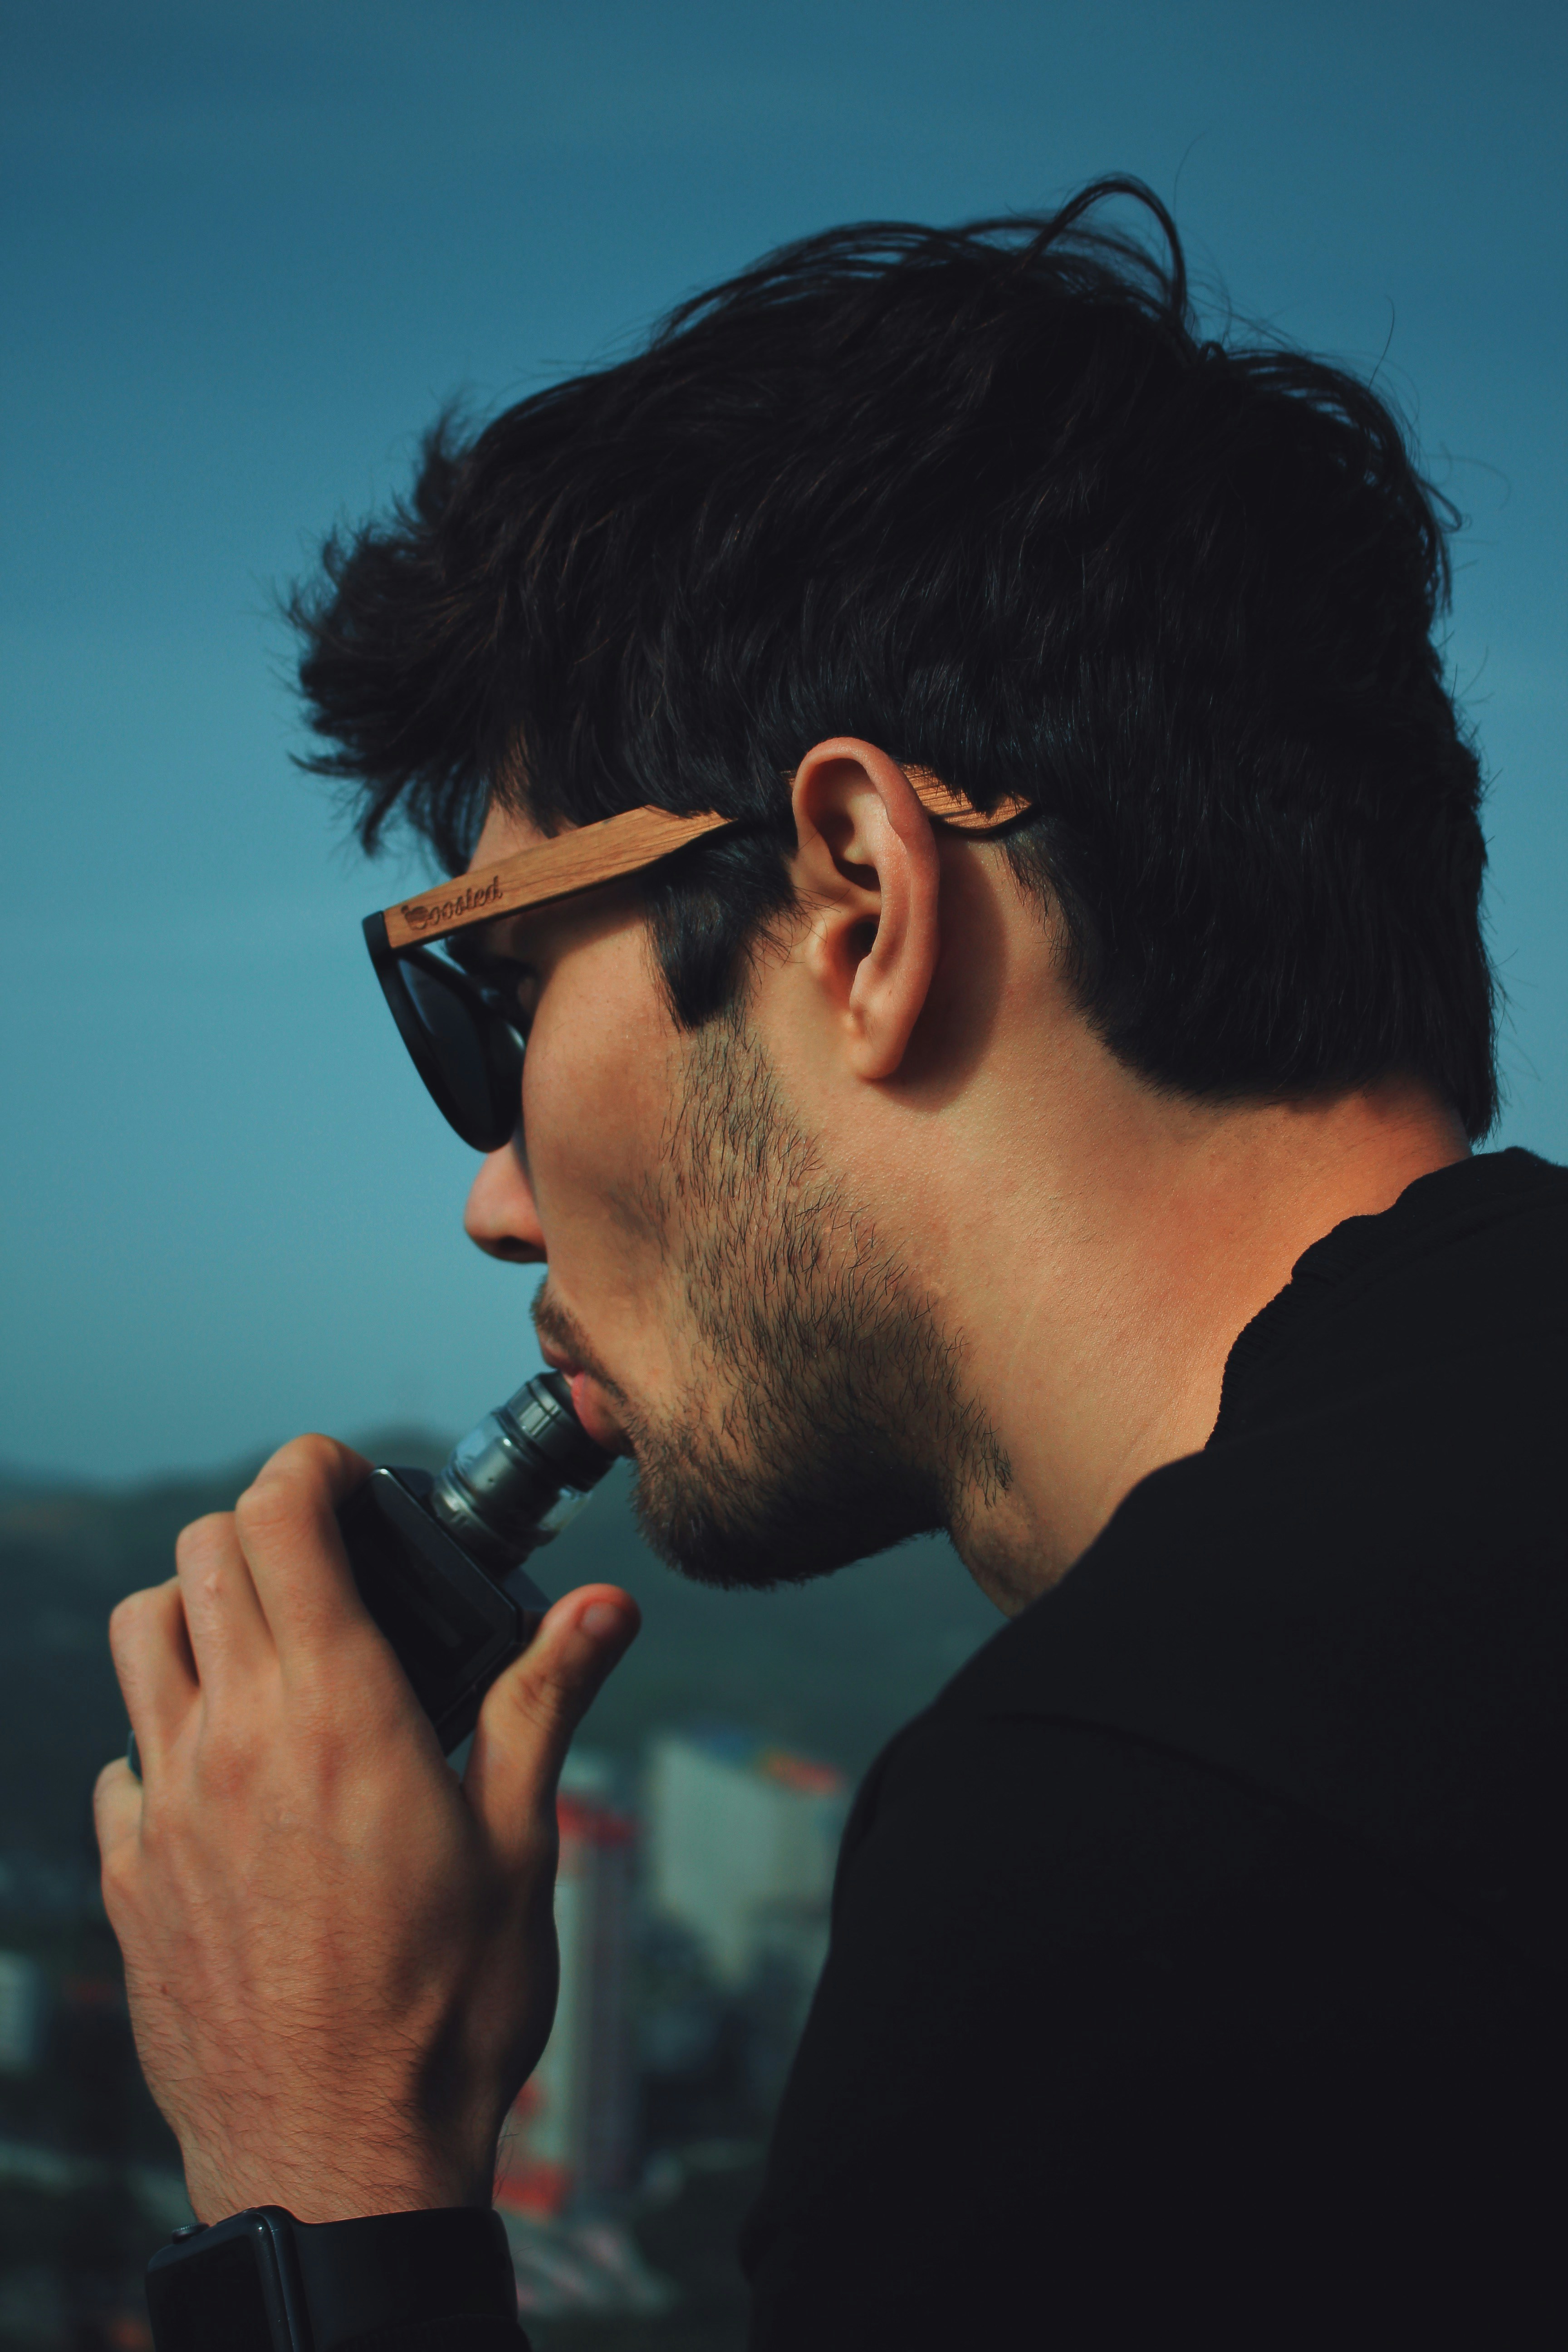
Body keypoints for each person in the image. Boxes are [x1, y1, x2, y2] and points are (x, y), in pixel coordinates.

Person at [97, 180, 1565, 2347]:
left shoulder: (1131, 1871)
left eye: (497, 1004)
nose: (494, 1195)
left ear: (860, 901)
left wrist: (319, 2177)